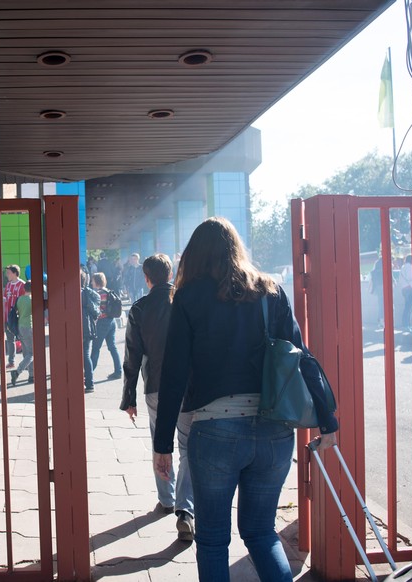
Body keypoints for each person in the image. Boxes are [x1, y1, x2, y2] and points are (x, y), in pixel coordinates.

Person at [153, 217, 339, 582]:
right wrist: (328, 420)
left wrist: (162, 446)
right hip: (274, 433)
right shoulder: (271, 291)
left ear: (195, 254)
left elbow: (173, 374)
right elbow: (302, 356)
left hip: (215, 432)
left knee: (212, 539)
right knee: (260, 532)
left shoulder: (189, 297)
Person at [120, 253, 195, 541]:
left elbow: (132, 357)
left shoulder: (139, 309)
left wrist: (129, 398)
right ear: (171, 273)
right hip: (188, 388)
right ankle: (186, 510)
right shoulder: (186, 302)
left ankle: (166, 499)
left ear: (147, 278)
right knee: (188, 446)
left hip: (156, 387)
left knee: (159, 442)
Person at [91, 272, 123, 380]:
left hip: (102, 322)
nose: (91, 282)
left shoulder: (98, 294)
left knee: (95, 348)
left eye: (93, 280)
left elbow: (97, 310)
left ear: (96, 281)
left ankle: (89, 373)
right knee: (112, 347)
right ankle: (118, 371)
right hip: (111, 321)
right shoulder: (109, 291)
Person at [2, 264, 26, 370]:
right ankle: (11, 361)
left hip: (18, 317)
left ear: (15, 273)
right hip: (8, 317)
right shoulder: (8, 285)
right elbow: (4, 297)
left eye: (9, 273)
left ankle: (26, 362)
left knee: (24, 339)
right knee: (10, 339)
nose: (7, 275)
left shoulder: (22, 285)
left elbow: (25, 301)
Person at [81, 269, 101, 393]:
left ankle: (80, 381)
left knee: (79, 355)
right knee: (86, 355)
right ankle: (89, 383)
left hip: (79, 328)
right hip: (87, 328)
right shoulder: (88, 293)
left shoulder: (76, 293)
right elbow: (96, 312)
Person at [10, 281, 34, 385]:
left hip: (20, 326)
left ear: (24, 289)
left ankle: (32, 375)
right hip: (29, 326)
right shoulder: (32, 300)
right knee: (32, 353)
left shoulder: (19, 299)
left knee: (26, 353)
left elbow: (16, 311)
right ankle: (17, 371)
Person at [399, 254, 412, 331]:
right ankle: (406, 325)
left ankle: (406, 324)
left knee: (407, 307)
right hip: (409, 289)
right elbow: (410, 276)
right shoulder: (409, 266)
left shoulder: (403, 267)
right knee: (408, 307)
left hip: (404, 289)